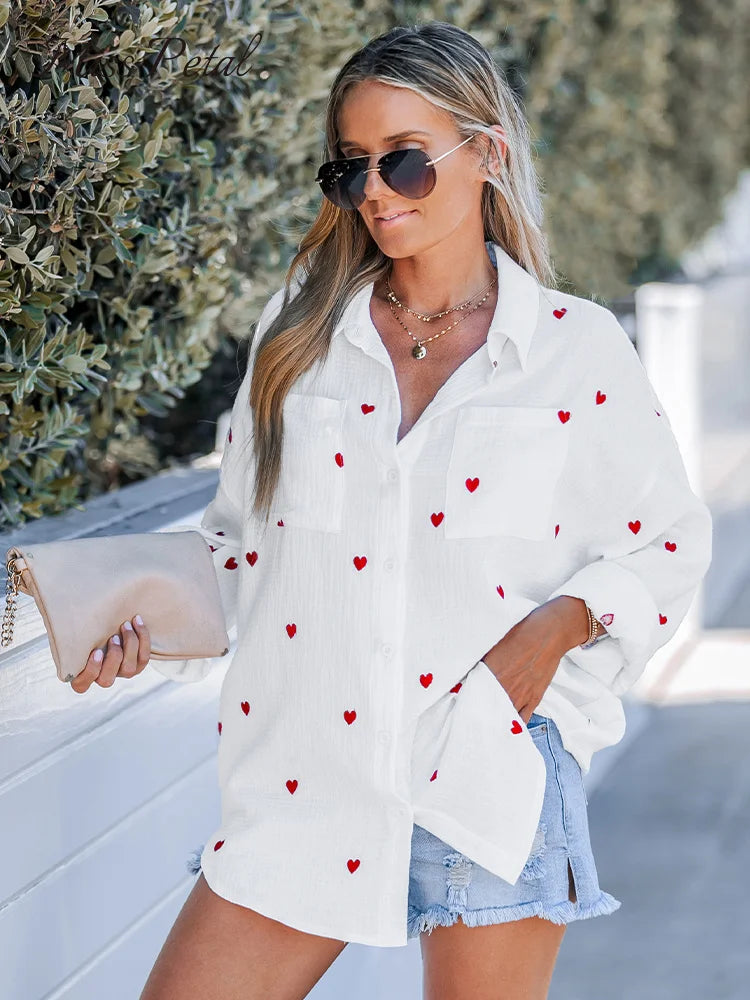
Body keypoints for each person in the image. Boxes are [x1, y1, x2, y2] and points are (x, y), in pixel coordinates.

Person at [76, 21, 713, 1000]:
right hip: (302, 780)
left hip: (487, 770)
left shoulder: (573, 352)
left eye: (406, 162)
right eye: (351, 169)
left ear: (485, 154)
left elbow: (668, 541)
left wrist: (555, 628)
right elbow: (239, 546)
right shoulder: (300, 336)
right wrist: (133, 620)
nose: (375, 191)